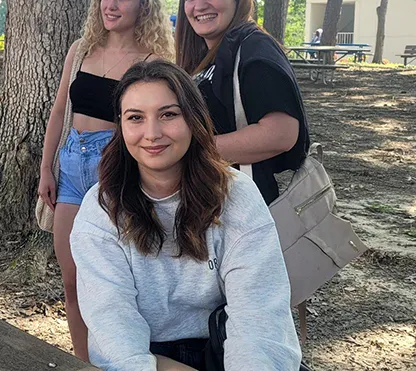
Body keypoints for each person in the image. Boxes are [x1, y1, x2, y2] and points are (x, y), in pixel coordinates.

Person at [69, 60, 301, 371]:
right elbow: (113, 326)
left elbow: (258, 315)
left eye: (168, 114)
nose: (152, 133)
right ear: (120, 126)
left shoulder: (237, 196)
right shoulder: (101, 209)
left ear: (193, 119)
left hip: (225, 346)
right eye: (135, 118)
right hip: (146, 355)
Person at [38, 0, 173, 360]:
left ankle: (126, 358)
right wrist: (47, 168)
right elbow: (60, 109)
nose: (111, 5)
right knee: (72, 279)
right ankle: (82, 361)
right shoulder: (81, 49)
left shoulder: (153, 59)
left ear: (142, 5)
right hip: (71, 164)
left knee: (118, 280)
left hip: (115, 165)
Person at [176, 0, 309, 205]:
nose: (199, 5)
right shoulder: (205, 55)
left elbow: (281, 134)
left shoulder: (254, 48)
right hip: (209, 198)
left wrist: (188, 148)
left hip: (244, 203)